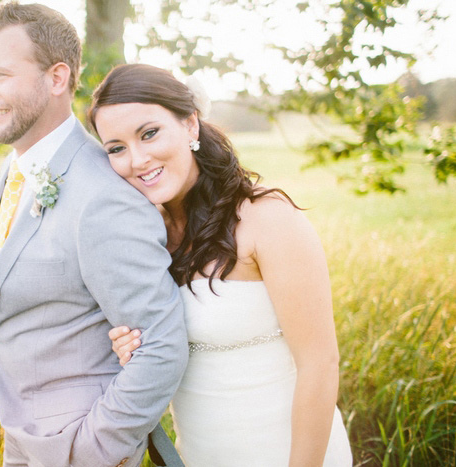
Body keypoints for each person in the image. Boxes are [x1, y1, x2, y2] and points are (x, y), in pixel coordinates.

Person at [0, 5, 188, 467]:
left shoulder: (103, 194)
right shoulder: (19, 167)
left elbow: (161, 346)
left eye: (1, 74)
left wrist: (90, 451)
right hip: (23, 433)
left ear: (57, 77)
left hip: (77, 444)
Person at [88, 63, 353, 466]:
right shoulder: (146, 240)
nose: (138, 159)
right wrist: (135, 350)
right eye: (117, 148)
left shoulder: (265, 218)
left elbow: (320, 364)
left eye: (149, 133)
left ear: (191, 124)